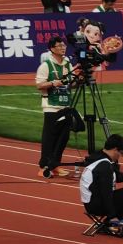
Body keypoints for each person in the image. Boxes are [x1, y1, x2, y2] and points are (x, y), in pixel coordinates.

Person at [35, 36, 76, 178]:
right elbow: (39, 85)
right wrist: (53, 83)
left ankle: (55, 164)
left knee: (63, 138)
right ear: (52, 49)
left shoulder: (68, 64)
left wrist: (78, 80)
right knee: (50, 138)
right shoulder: (46, 65)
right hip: (51, 106)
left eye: (64, 45)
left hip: (66, 105)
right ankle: (44, 166)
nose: (63, 48)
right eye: (59, 46)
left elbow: (71, 84)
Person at [80, 133, 123, 219]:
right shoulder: (105, 166)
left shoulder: (98, 157)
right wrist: (111, 215)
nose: (120, 156)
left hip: (91, 202)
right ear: (115, 149)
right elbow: (106, 193)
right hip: (97, 206)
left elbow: (112, 176)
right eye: (121, 153)